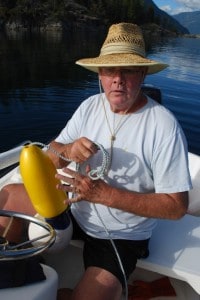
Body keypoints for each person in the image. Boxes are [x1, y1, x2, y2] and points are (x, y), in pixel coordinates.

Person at [0, 23, 192, 300]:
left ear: (142, 73)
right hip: (73, 210)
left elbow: (176, 207)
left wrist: (105, 195)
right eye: (109, 69)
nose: (118, 79)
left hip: (121, 236)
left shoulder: (163, 126)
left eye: (128, 69)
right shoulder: (90, 106)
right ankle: (17, 267)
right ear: (99, 74)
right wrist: (67, 151)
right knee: (7, 197)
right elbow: (50, 158)